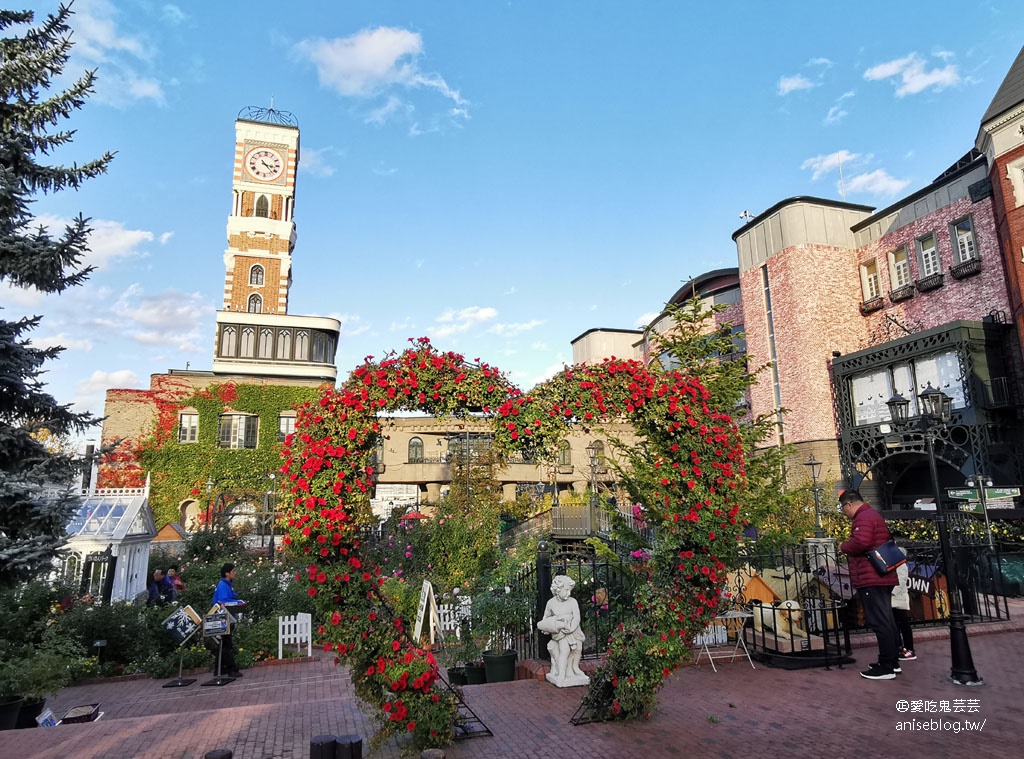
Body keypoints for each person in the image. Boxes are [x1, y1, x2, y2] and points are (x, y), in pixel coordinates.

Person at [839, 489, 901, 680]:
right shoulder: (872, 515)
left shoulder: (863, 517)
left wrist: (843, 546)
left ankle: (886, 666)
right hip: (881, 576)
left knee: (879, 621)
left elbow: (861, 542)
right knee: (887, 620)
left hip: (872, 577)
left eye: (843, 508)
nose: (844, 513)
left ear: (849, 504)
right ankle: (891, 661)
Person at [536, 575, 589, 687]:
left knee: (578, 648)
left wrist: (572, 628)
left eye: (569, 591)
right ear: (557, 590)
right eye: (565, 591)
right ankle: (561, 674)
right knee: (564, 651)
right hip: (561, 632)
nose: (568, 594)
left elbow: (577, 617)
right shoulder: (551, 603)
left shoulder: (573, 602)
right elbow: (546, 618)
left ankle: (575, 667)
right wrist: (547, 627)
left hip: (573, 629)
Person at [211, 562, 246, 677]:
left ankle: (220, 669)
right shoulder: (223, 585)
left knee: (223, 644)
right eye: (233, 571)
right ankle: (231, 669)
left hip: (226, 618)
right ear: (227, 573)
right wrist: (238, 602)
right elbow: (223, 602)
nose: (235, 573)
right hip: (223, 618)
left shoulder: (226, 584)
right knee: (226, 645)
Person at [891, 546, 916, 662]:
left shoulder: (901, 565)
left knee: (903, 624)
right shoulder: (893, 565)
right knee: (895, 625)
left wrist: (891, 592)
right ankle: (899, 647)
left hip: (898, 599)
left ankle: (909, 649)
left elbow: (901, 581)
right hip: (893, 600)